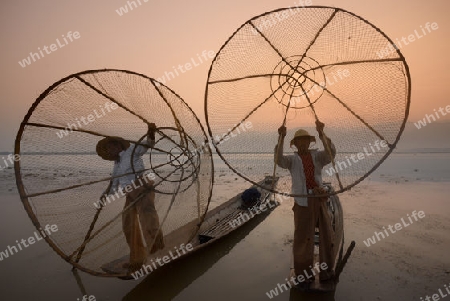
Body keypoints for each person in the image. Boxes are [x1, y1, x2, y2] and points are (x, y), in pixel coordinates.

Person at [275, 120, 336, 287]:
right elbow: (279, 160)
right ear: (295, 144)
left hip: (319, 198)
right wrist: (281, 138)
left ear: (309, 142)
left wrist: (322, 133)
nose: (303, 143)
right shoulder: (292, 160)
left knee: (326, 234)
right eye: (299, 141)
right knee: (302, 238)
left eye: (305, 140)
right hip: (302, 202)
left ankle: (326, 272)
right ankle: (303, 275)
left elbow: (331, 153)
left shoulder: (318, 157)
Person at [96, 123, 164, 272]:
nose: (110, 149)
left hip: (142, 185)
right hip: (130, 192)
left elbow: (148, 145)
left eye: (111, 146)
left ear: (118, 145)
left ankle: (158, 252)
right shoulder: (117, 163)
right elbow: (114, 183)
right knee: (128, 223)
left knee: (148, 218)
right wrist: (104, 197)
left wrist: (150, 132)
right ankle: (137, 257)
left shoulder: (132, 151)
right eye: (108, 148)